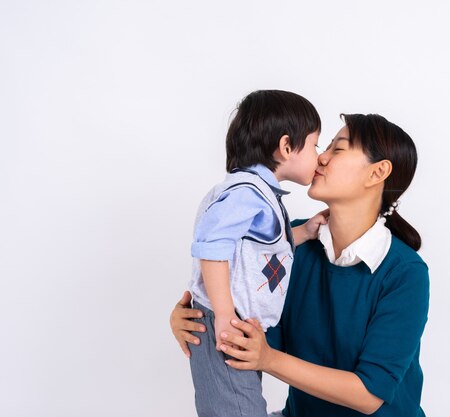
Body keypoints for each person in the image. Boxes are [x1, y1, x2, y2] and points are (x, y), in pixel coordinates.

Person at [172, 113, 430, 417]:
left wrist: (268, 359)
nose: (321, 158)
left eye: (338, 148)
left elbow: (369, 394)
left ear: (377, 173)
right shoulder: (290, 244)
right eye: (325, 146)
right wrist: (196, 321)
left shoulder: (404, 273)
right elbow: (253, 330)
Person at [187, 90, 329, 417]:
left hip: (237, 325)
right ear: (286, 147)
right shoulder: (246, 193)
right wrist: (223, 313)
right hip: (226, 324)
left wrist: (303, 233)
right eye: (315, 145)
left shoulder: (256, 193)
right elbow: (212, 245)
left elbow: (252, 251)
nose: (319, 156)